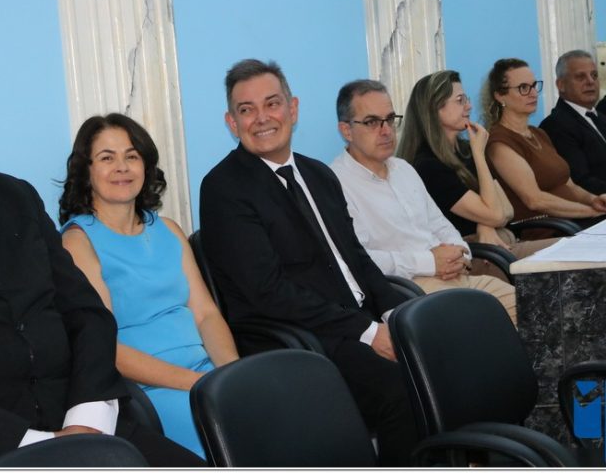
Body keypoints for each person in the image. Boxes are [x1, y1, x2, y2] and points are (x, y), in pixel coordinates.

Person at [0, 68, 205, 467]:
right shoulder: (82, 235)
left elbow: (87, 313)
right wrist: (33, 441)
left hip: (85, 417)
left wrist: (88, 416)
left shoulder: (16, 197)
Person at [199, 59, 418, 467]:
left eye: (272, 103)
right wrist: (369, 331)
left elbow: (356, 257)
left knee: (438, 357)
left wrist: (395, 314)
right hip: (300, 338)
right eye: (246, 110)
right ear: (232, 122)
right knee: (401, 386)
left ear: (293, 108)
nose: (262, 118)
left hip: (355, 320)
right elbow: (268, 292)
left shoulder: (319, 175)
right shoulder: (223, 188)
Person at [59, 113, 239, 460]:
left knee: (277, 414)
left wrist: (233, 374)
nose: (122, 167)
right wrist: (196, 384)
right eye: (107, 158)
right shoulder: (78, 242)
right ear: (86, 171)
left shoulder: (168, 229)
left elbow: (205, 314)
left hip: (205, 375)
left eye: (132, 156)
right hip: (150, 391)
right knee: (238, 433)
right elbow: (103, 348)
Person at [331, 79, 516, 323]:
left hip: (456, 276)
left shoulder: (404, 169)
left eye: (390, 119)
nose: (386, 131)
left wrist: (459, 254)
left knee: (534, 308)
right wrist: (429, 263)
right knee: (485, 324)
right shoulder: (335, 184)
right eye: (372, 122)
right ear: (346, 130)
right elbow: (359, 260)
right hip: (410, 290)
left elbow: (441, 225)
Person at [397, 70, 556, 259]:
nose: (469, 106)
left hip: (499, 244)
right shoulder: (429, 166)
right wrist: (479, 155)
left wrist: (484, 224)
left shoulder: (466, 149)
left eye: (467, 99)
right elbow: (497, 215)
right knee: (570, 256)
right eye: (460, 100)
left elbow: (507, 210)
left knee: (574, 250)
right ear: (435, 108)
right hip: (473, 255)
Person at [482, 58, 606, 239]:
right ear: (500, 96)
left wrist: (594, 200)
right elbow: (535, 200)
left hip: (575, 221)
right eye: (523, 88)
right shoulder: (499, 142)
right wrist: (589, 211)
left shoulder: (538, 133)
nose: (533, 93)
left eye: (534, 86)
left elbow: (569, 184)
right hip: (548, 229)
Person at [540, 50, 606, 194]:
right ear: (561, 85)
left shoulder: (601, 118)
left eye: (594, 75)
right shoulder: (556, 125)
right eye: (580, 77)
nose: (590, 81)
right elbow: (580, 181)